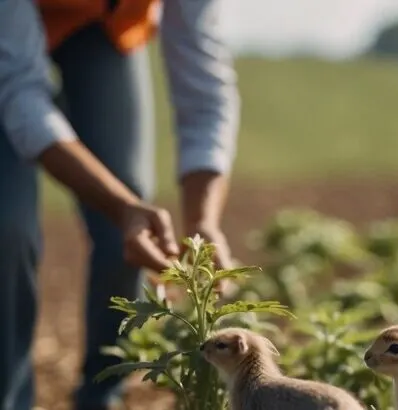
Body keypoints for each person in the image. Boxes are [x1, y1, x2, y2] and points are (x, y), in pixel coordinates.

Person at [0, 1, 239, 409]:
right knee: (9, 227)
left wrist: (204, 221)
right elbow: (20, 91)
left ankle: (101, 397)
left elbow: (205, 88)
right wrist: (119, 205)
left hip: (98, 26)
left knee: (127, 224)